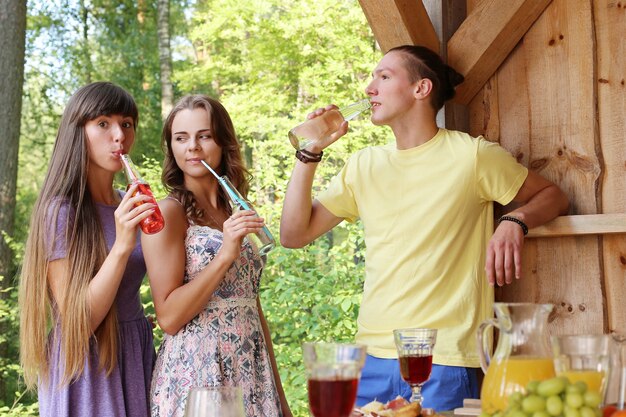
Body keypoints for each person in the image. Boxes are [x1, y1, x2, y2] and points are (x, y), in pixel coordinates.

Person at [280, 45, 569, 410]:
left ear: (421, 89)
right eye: (373, 78)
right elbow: (292, 235)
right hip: (369, 356)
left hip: (443, 358)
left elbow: (553, 195)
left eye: (383, 77)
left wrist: (515, 220)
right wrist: (310, 153)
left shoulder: (473, 156)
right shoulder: (363, 165)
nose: (370, 88)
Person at [143, 94, 291, 417]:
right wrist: (224, 254)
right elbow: (167, 317)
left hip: (252, 369)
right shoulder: (169, 213)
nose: (192, 147)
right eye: (181, 138)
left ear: (223, 142)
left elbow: (252, 304)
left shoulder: (236, 207)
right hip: (199, 373)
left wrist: (279, 397)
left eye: (204, 136)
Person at [19, 81, 157, 416]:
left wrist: (137, 320)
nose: (119, 136)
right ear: (78, 131)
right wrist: (123, 245)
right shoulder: (61, 211)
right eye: (103, 124)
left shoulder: (130, 202)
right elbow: (77, 323)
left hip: (134, 355)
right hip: (87, 373)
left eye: (126, 124)